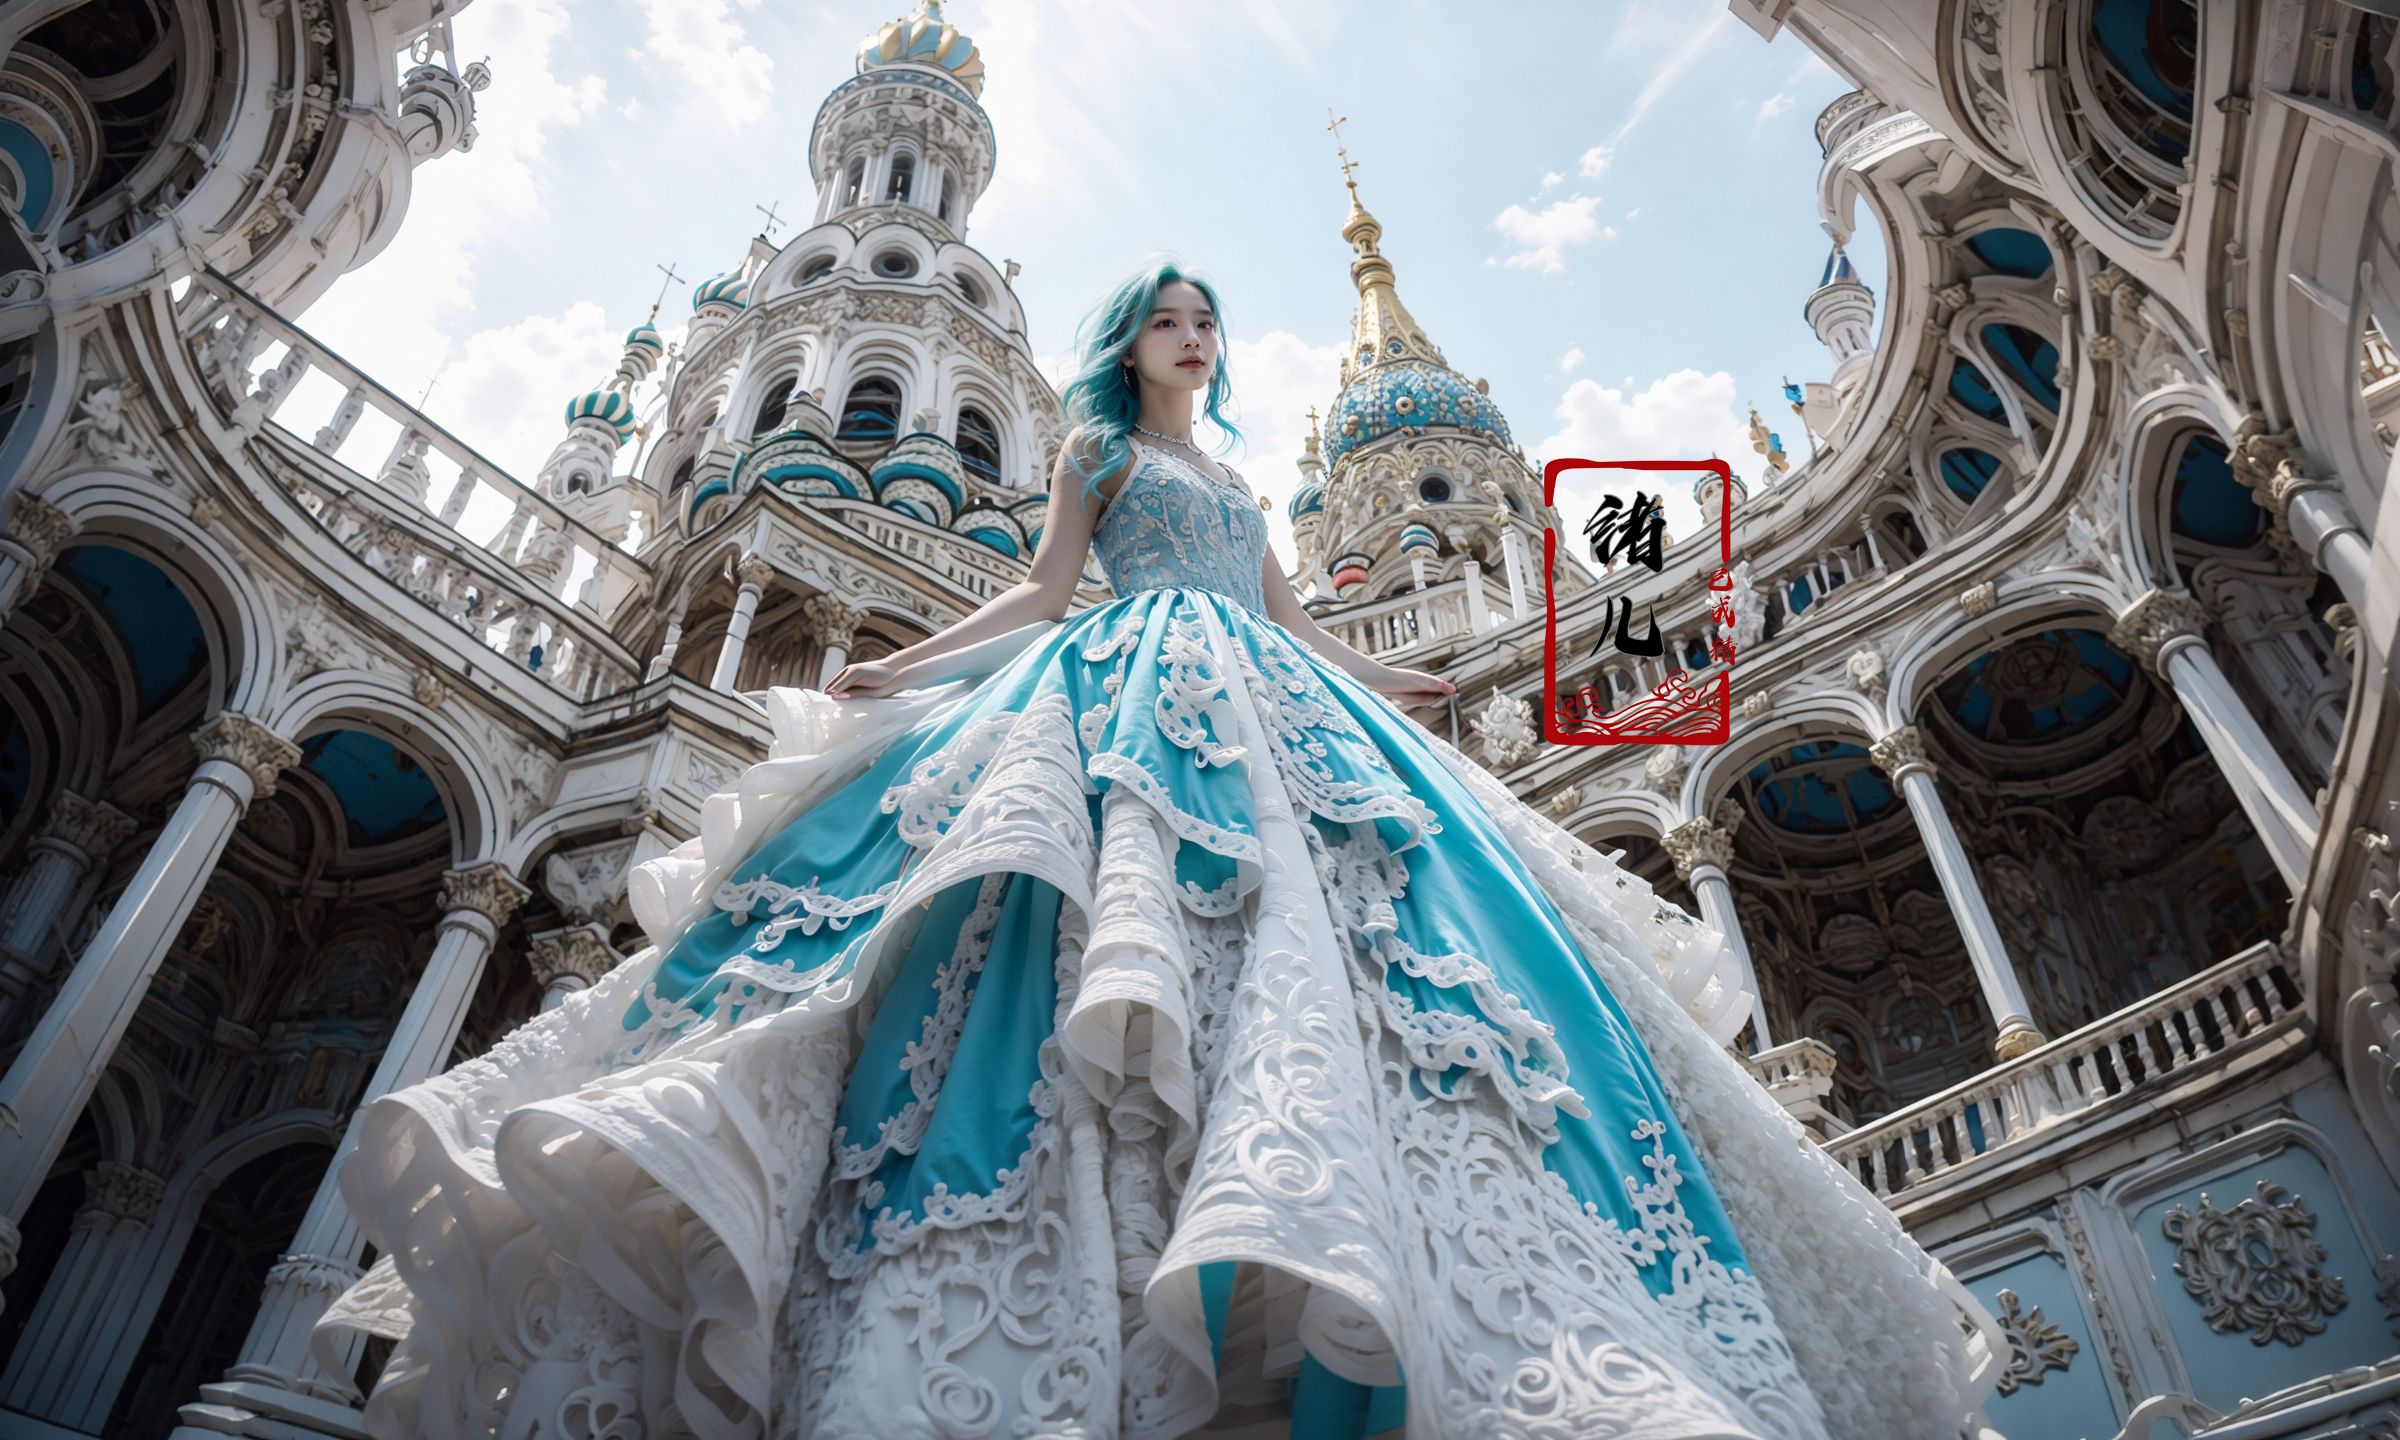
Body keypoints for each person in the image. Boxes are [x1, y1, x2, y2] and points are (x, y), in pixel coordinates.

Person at [324, 264, 1994, 1440]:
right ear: (1134, 344)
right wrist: (898, 671)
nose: (1197, 339)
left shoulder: (1244, 489)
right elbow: (1046, 594)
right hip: (1122, 698)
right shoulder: (1104, 455)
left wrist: (1422, 684)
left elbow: (1304, 629)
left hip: (1283, 697)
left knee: (1369, 968)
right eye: (1175, 320)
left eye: (1210, 322)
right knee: (1063, 960)